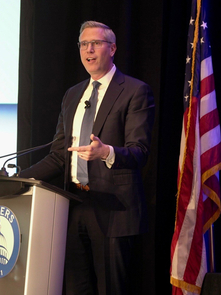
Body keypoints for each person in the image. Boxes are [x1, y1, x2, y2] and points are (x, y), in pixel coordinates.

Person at [19, 20, 155, 295]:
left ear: (112, 48)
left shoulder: (134, 91)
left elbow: (140, 152)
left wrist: (106, 152)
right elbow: (59, 156)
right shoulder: (73, 95)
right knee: (76, 288)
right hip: (73, 205)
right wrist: (18, 180)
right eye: (83, 44)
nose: (88, 49)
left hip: (113, 210)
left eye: (96, 43)